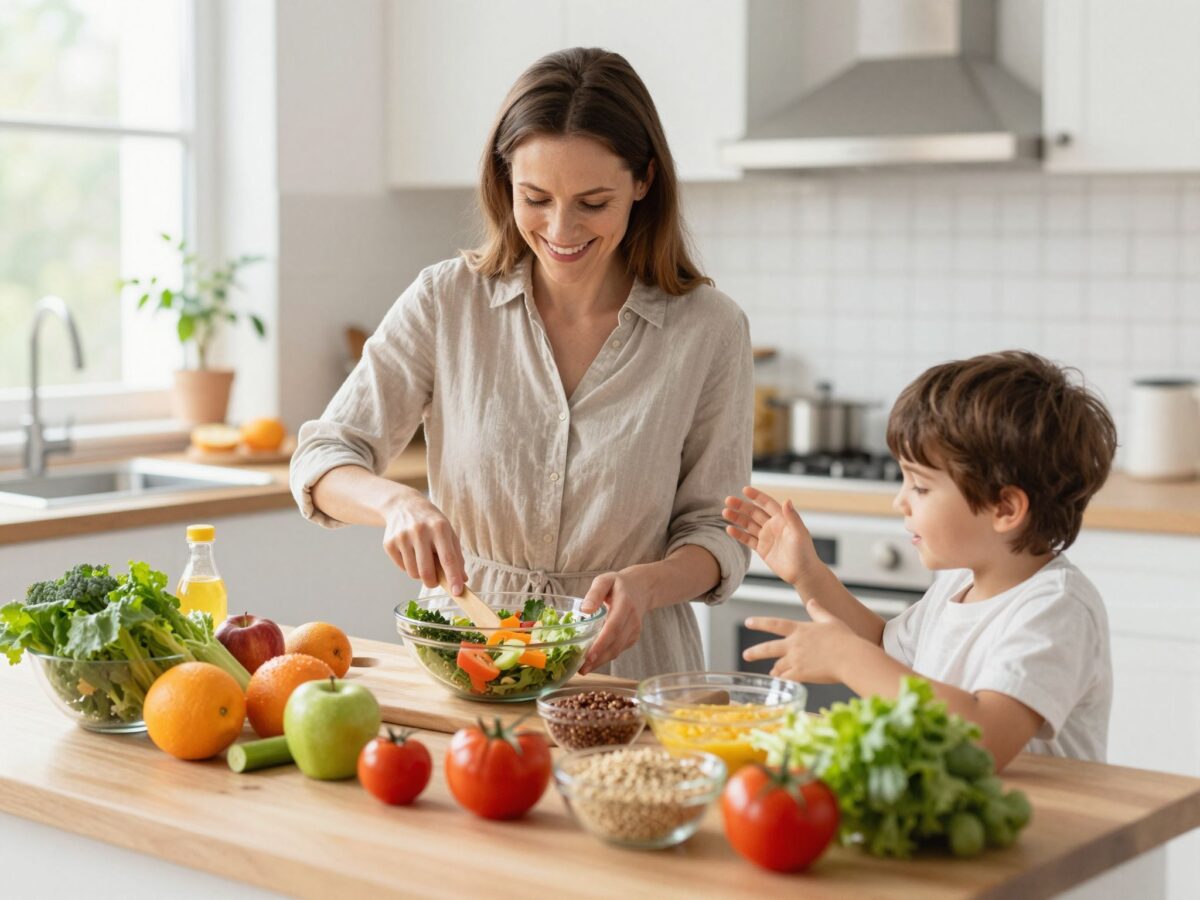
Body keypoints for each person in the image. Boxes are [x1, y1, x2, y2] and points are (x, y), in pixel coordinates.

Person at [289, 48, 752, 679]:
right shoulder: (446, 300)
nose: (562, 229)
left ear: (643, 182)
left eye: (593, 203)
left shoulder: (709, 329)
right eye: (535, 197)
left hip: (626, 669)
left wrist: (649, 583)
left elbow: (715, 531)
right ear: (504, 178)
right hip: (469, 660)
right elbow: (322, 457)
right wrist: (397, 504)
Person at [723, 351, 1118, 769]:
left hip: (1056, 828)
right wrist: (808, 574)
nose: (900, 501)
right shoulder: (957, 584)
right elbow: (884, 650)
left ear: (1005, 508)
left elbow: (983, 739)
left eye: (921, 487)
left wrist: (846, 659)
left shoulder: (1056, 608)